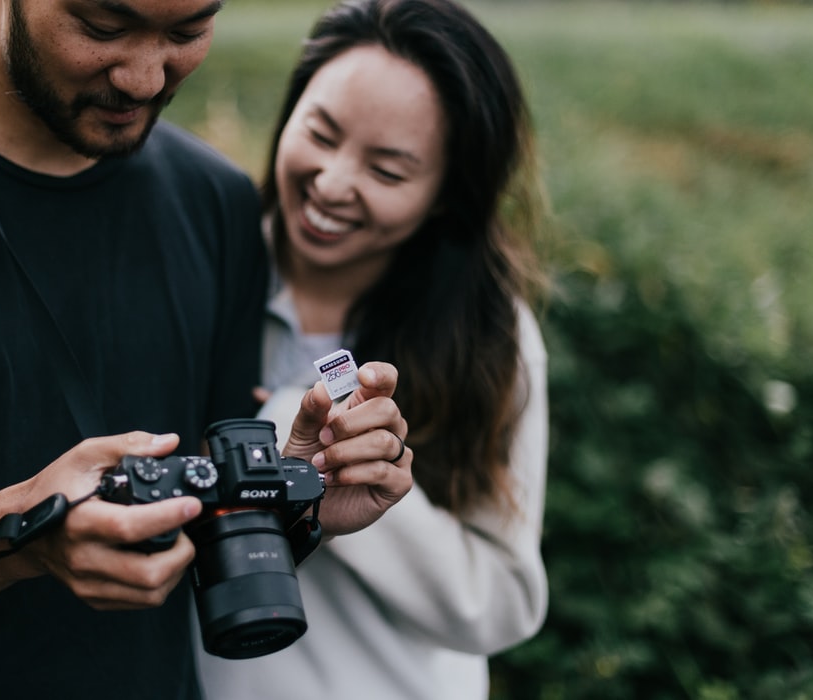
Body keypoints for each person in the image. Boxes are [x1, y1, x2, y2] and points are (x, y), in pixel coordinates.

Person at [0, 1, 413, 698]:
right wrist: (20, 540)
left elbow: (197, 512)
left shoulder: (214, 202)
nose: (145, 78)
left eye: (187, 33)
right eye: (103, 29)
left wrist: (290, 498)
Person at [196, 0, 549, 698]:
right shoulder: (201, 269)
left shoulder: (487, 337)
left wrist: (354, 478)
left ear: (447, 196)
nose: (331, 183)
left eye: (387, 172)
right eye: (321, 133)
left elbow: (506, 603)